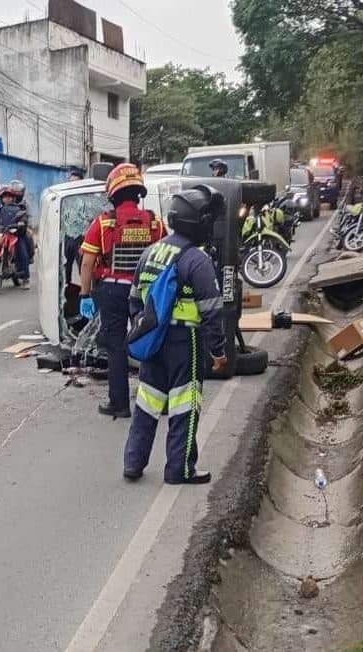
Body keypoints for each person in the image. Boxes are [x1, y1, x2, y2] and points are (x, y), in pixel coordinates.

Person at [123, 185, 228, 485]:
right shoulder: (197, 260)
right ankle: (179, 470)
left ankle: (133, 462)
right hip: (186, 343)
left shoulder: (151, 252)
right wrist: (218, 352)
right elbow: (211, 312)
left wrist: (145, 327)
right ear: (199, 222)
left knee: (147, 404)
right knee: (185, 406)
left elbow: (133, 300)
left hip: (153, 340)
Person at [79, 163, 165, 418]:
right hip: (146, 292)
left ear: (112, 194)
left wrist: (84, 294)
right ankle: (157, 401)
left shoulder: (105, 223)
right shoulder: (155, 223)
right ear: (139, 193)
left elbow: (87, 262)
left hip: (113, 291)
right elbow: (166, 257)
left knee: (116, 346)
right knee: (151, 342)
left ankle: (119, 404)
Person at [0, 183, 31, 289]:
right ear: (2, 198)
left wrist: (21, 223)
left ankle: (26, 278)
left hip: (15, 235)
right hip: (2, 234)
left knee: (22, 252)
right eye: (4, 197)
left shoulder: (19, 208)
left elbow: (24, 218)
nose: (7, 199)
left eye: (9, 196)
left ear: (13, 198)